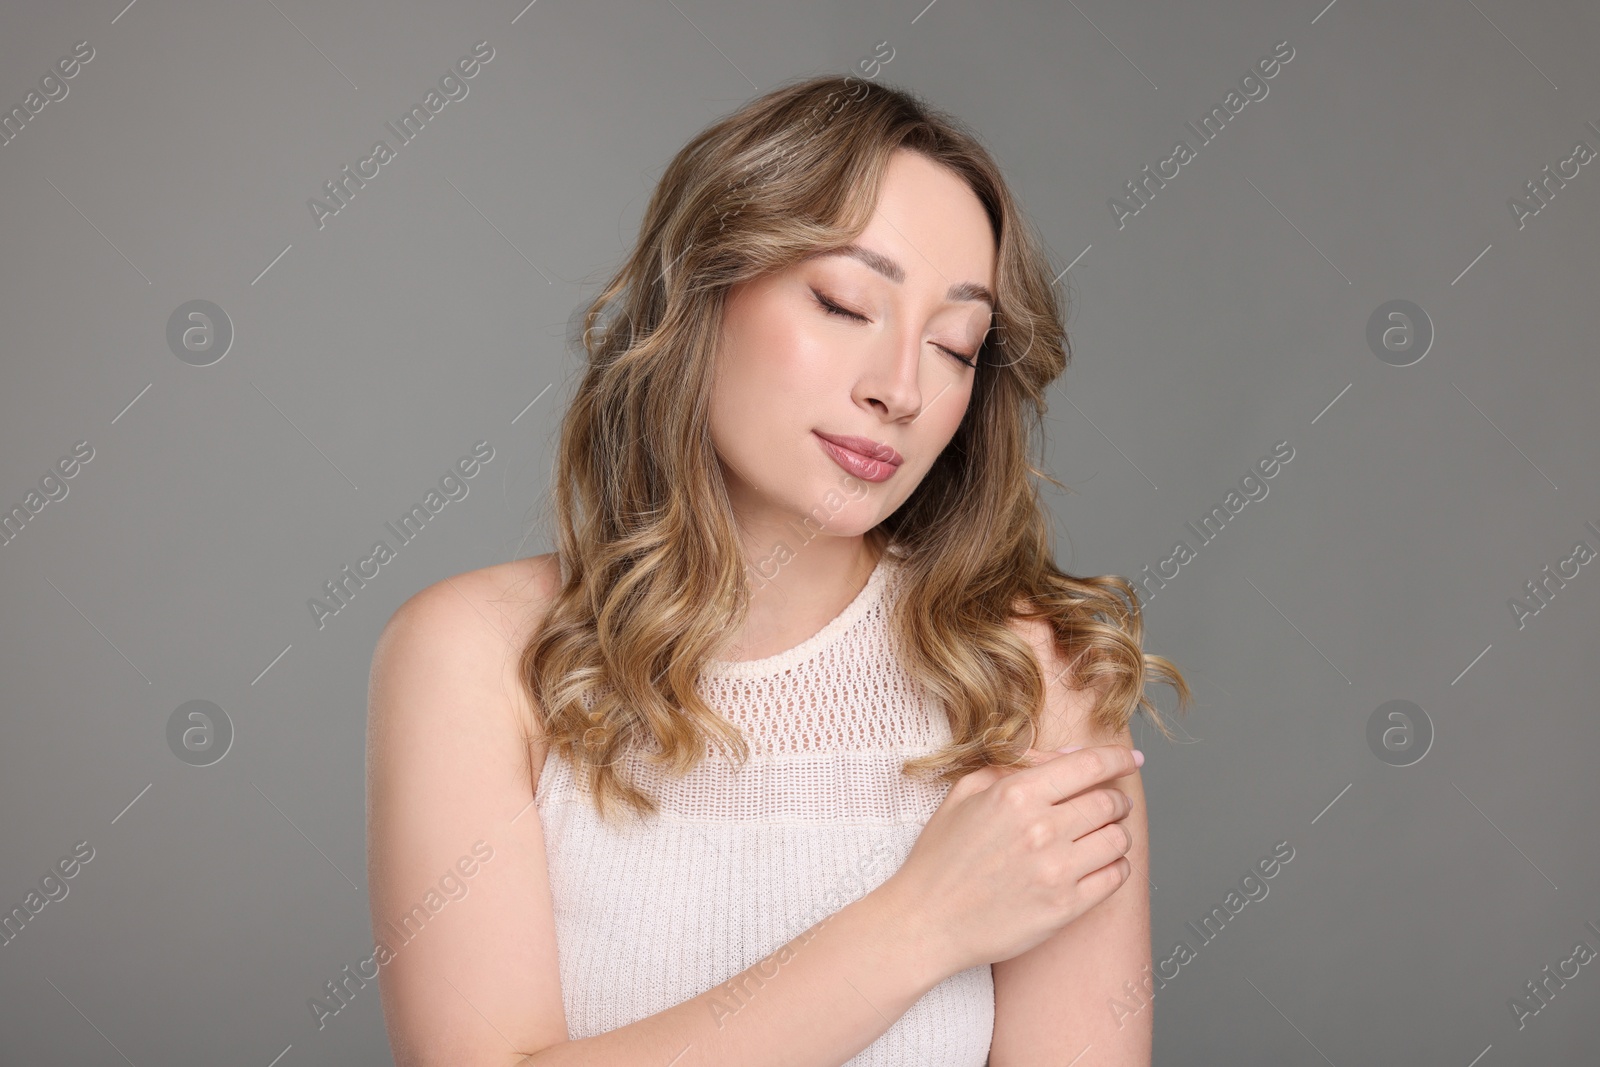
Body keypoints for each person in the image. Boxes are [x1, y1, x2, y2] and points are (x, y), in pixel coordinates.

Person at [365, 73, 1190, 1067]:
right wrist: (920, 921)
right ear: (704, 290)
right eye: (847, 304)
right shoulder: (477, 657)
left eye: (953, 345)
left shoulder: (1032, 681)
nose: (899, 388)